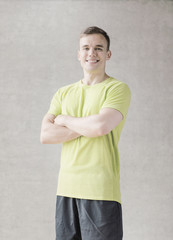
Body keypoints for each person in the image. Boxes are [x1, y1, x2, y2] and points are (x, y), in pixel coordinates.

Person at [40, 26, 131, 240]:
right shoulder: (63, 93)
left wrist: (65, 120)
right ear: (79, 54)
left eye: (99, 48)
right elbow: (45, 134)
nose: (92, 53)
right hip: (66, 189)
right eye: (86, 48)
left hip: (100, 190)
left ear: (108, 54)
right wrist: (86, 126)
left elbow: (101, 127)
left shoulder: (117, 89)